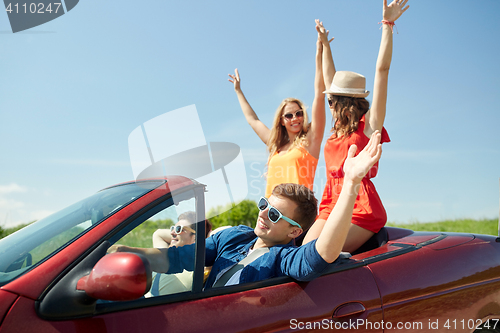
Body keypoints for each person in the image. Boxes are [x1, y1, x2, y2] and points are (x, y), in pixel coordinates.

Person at [108, 131, 383, 289]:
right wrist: (130, 253)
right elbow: (182, 257)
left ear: (294, 231)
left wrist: (351, 184)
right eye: (264, 206)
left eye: (274, 215)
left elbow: (321, 254)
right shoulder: (234, 237)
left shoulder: (282, 258)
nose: (263, 214)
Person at [303, 0, 409, 253]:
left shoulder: (370, 124)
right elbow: (330, 78)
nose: (328, 103)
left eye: (332, 99)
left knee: (321, 254)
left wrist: (387, 24)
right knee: (305, 251)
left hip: (360, 205)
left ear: (344, 102)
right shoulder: (338, 126)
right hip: (331, 201)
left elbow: (382, 71)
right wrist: (326, 46)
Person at [228, 28, 331, 198]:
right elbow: (252, 120)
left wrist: (319, 52)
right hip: (270, 213)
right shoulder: (275, 144)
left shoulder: (311, 140)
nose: (295, 118)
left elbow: (320, 95)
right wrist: (238, 91)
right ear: (282, 121)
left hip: (298, 214)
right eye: (289, 116)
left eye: (299, 113)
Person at [145, 212, 211, 297]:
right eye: (173, 228)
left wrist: (203, 238)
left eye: (179, 229)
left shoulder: (198, 265)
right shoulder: (164, 255)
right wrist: (179, 234)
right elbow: (158, 233)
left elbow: (225, 230)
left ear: (195, 237)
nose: (172, 233)